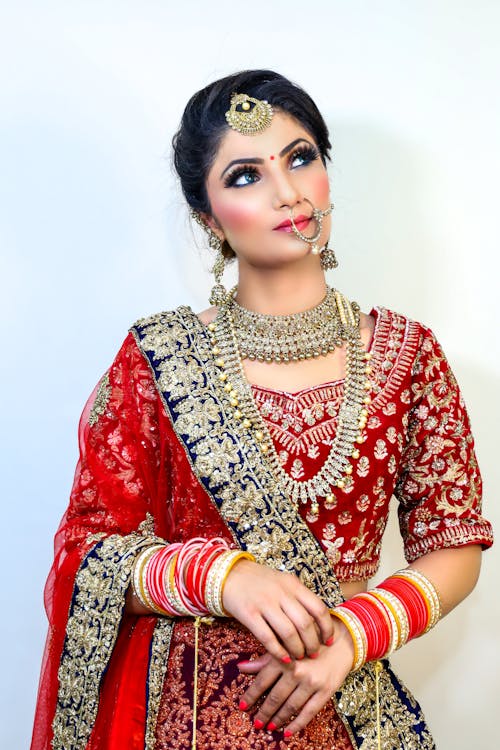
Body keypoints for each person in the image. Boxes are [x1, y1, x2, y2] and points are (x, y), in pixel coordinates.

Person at [31, 70, 493, 750]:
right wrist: (224, 577)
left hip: (343, 712)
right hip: (176, 725)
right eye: (246, 175)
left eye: (301, 157)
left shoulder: (408, 356)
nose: (288, 192)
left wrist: (350, 635)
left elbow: (453, 544)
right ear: (208, 218)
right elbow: (85, 552)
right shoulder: (157, 359)